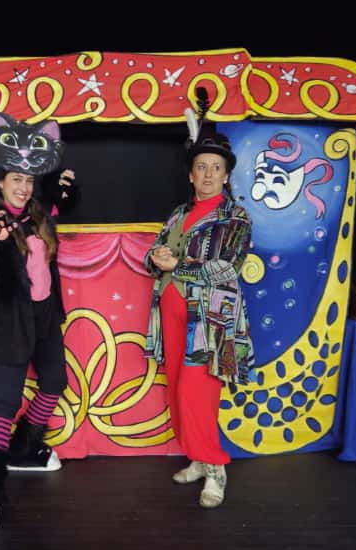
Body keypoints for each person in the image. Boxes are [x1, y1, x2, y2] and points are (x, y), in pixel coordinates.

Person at [0, 112, 80, 531]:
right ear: (0, 182)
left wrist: (65, 188)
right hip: (11, 322)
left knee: (54, 382)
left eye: (29, 180)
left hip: (45, 316)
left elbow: (58, 208)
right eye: (16, 179)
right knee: (5, 403)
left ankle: (24, 449)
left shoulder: (37, 216)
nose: (23, 186)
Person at [143, 90, 254, 508]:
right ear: (191, 175)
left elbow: (228, 267)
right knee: (176, 390)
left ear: (225, 176)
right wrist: (156, 258)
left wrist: (178, 265)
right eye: (201, 167)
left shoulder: (235, 217)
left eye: (216, 168)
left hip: (208, 321)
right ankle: (197, 457)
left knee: (197, 392)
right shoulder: (177, 214)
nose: (208, 174)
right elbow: (153, 256)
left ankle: (216, 469)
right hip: (170, 316)